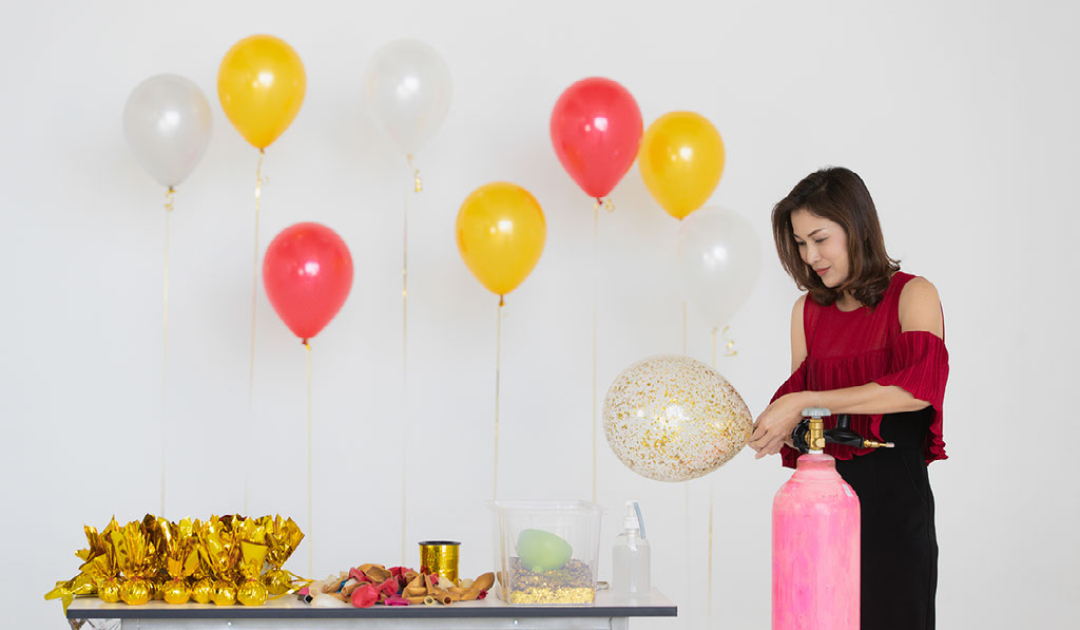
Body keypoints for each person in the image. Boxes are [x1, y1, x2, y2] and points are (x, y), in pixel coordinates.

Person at [749, 166, 949, 630]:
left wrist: (805, 401)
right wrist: (775, 424)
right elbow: (802, 421)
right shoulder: (807, 313)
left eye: (819, 238)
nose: (810, 255)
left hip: (896, 511)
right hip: (820, 511)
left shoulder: (913, 295)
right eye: (800, 243)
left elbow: (916, 391)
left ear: (856, 227)